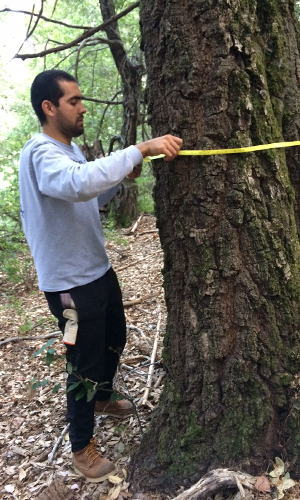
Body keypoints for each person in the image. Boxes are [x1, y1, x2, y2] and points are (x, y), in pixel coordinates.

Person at [19, 69, 182, 482]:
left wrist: (118, 179)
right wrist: (137, 150)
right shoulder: (41, 153)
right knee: (83, 362)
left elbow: (87, 195)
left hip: (96, 270)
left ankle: (103, 399)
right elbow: (74, 185)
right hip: (70, 285)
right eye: (73, 101)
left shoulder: (68, 152)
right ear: (48, 107)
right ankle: (81, 449)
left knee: (115, 337)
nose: (82, 107)